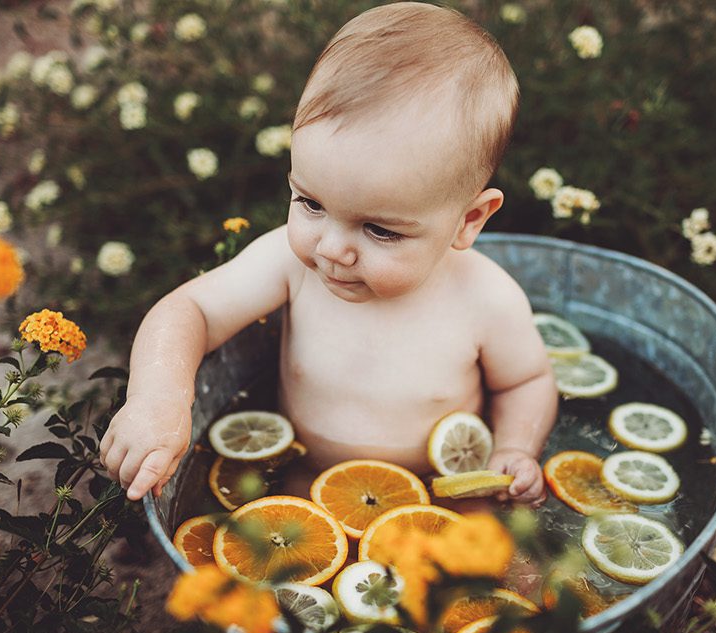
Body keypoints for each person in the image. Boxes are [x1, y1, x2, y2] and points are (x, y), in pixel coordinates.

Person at [99, 3, 553, 504]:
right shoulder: (291, 265)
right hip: (304, 473)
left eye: (380, 231)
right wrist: (159, 397)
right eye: (311, 203)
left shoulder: (486, 299)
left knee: (487, 563)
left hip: (450, 491)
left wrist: (515, 446)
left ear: (468, 221)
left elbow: (525, 381)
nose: (332, 249)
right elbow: (192, 310)